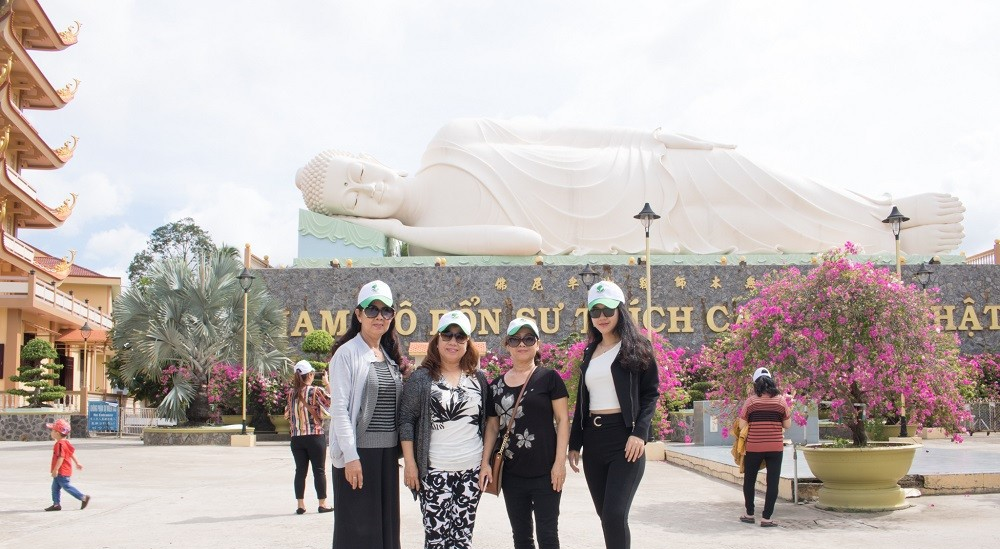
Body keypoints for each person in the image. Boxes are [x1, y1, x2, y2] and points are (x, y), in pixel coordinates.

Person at [295, 117, 965, 257]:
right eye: (353, 200)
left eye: (360, 174)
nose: (369, 190)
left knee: (766, 181)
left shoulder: (449, 139)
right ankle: (885, 245)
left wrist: (649, 136)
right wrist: (401, 229)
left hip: (632, 169)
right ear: (351, 218)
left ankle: (883, 211)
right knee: (764, 231)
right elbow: (524, 241)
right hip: (628, 229)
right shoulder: (425, 237)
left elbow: (561, 134)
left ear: (370, 156)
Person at [568, 280, 659, 549]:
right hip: (595, 441)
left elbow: (651, 394)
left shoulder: (637, 348)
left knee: (614, 515)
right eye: (595, 311)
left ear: (620, 310)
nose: (602, 316)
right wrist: (575, 443)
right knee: (608, 519)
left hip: (626, 442)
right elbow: (583, 401)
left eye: (608, 310)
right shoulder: (591, 351)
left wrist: (640, 433)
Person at [479, 317, 570, 549]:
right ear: (506, 345)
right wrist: (485, 462)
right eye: (515, 340)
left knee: (547, 536)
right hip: (512, 474)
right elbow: (492, 426)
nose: (522, 344)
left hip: (546, 473)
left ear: (538, 344)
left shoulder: (549, 378)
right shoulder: (496, 385)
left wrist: (559, 463)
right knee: (521, 536)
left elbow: (563, 421)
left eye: (529, 339)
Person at [400, 310, 489, 549]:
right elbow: (406, 421)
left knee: (462, 533)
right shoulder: (422, 379)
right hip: (434, 470)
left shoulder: (478, 378)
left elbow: (489, 422)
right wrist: (410, 465)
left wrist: (486, 463)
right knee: (435, 532)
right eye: (447, 335)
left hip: (470, 471)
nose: (453, 341)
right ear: (436, 341)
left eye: (460, 336)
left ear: (468, 342)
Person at [328, 279, 405, 549]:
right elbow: (340, 409)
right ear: (358, 314)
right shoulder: (347, 354)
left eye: (386, 310)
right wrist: (351, 456)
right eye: (372, 310)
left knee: (381, 527)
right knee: (354, 526)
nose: (379, 316)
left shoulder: (388, 355)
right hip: (358, 456)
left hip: (386, 455)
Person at [737, 367, 792, 528]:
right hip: (775, 448)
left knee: (750, 480)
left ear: (756, 384)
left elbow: (742, 425)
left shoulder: (751, 402)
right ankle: (766, 518)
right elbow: (787, 425)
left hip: (754, 447)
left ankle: (749, 514)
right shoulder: (780, 401)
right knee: (772, 482)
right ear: (771, 382)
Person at [285, 359, 332, 515]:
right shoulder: (315, 390)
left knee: (300, 471)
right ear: (310, 375)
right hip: (314, 436)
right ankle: (322, 504)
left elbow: (287, 414)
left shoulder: (291, 394)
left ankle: (300, 504)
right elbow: (331, 402)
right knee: (319, 470)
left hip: (296, 438)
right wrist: (327, 383)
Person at [44, 418, 90, 511]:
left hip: (61, 471)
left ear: (57, 433)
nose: (51, 432)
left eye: (52, 430)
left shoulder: (60, 444)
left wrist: (55, 469)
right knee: (55, 488)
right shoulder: (65, 442)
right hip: (63, 470)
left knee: (66, 486)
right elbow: (71, 453)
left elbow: (61, 457)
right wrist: (77, 462)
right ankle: (56, 504)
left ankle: (83, 497)